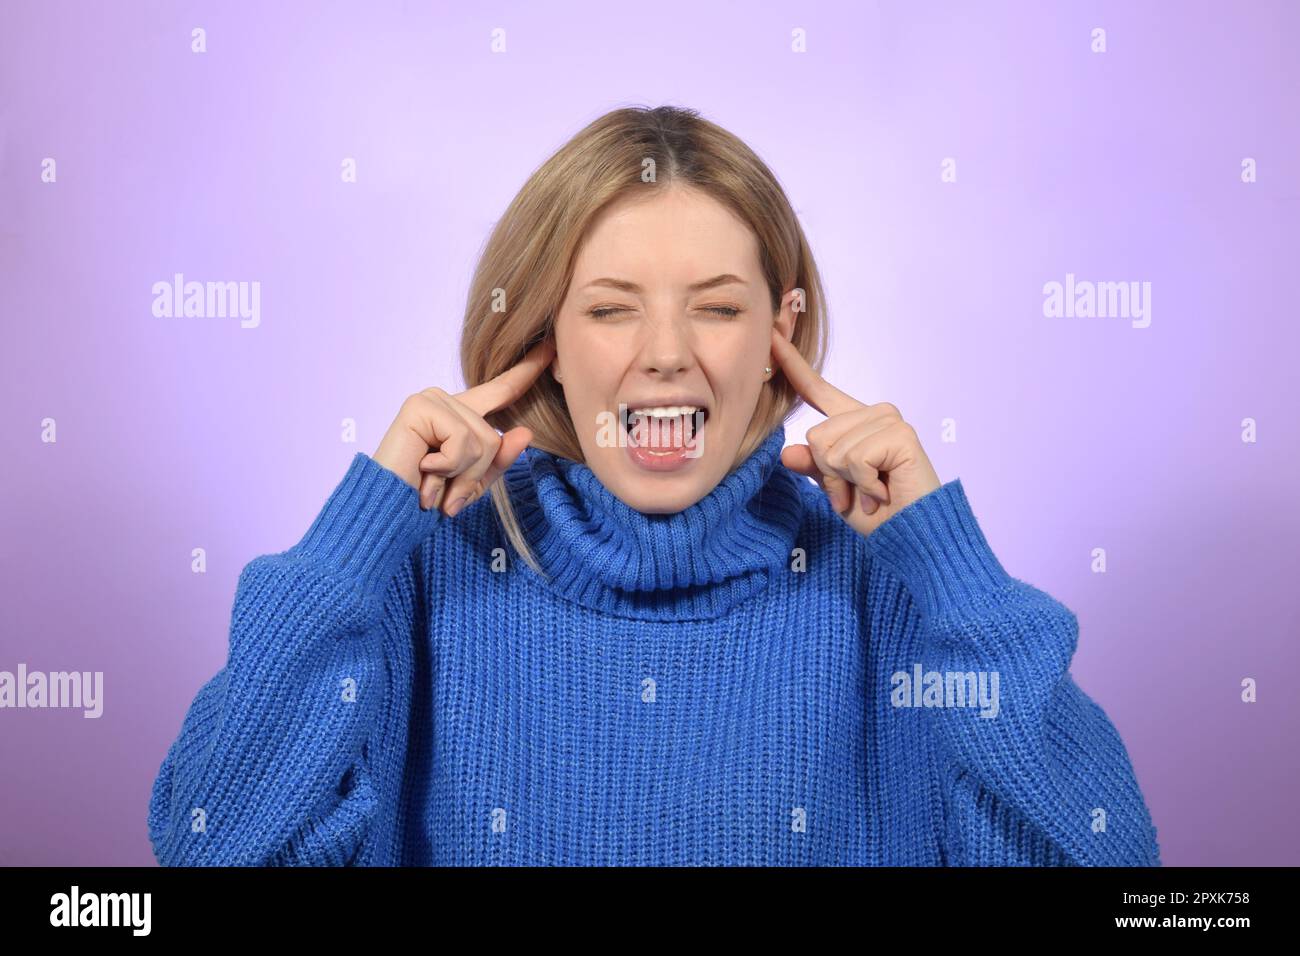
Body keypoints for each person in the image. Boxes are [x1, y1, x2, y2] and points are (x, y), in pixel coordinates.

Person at [148, 105, 1161, 866]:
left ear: (780, 337)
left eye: (716, 308)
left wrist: (957, 576)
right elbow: (211, 846)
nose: (667, 354)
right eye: (611, 308)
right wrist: (349, 548)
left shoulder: (892, 592)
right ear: (544, 342)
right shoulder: (421, 576)